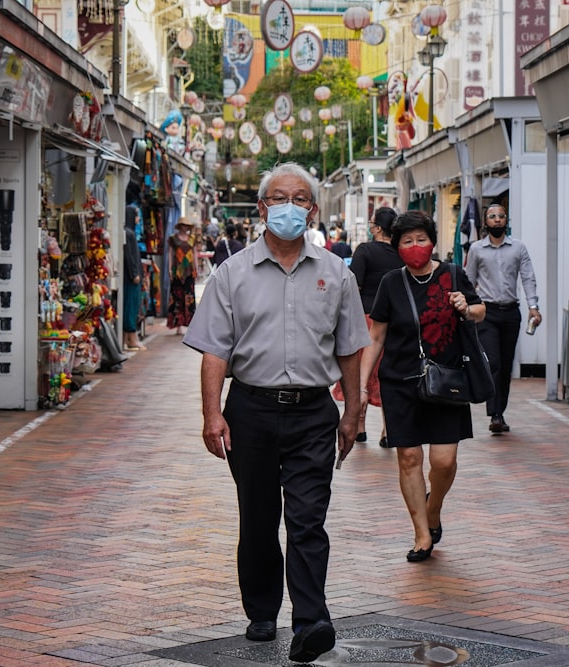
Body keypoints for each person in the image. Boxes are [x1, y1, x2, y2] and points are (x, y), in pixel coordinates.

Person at [182, 162, 369, 663]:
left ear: (312, 209)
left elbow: (350, 348)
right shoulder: (232, 273)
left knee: (308, 518)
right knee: (260, 518)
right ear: (263, 208)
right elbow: (215, 351)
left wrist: (354, 410)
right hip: (251, 411)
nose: (291, 206)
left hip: (313, 413)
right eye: (280, 197)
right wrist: (211, 414)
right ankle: (262, 609)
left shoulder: (336, 273)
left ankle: (311, 620)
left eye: (301, 198)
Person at [359, 211, 485, 562]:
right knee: (409, 457)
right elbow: (376, 335)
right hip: (400, 381)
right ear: (398, 247)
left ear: (432, 241)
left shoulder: (453, 275)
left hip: (446, 381)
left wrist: (467, 308)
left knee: (444, 461)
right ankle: (421, 534)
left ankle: (434, 508)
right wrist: (362, 386)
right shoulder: (391, 283)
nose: (415, 247)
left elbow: (481, 310)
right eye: (407, 241)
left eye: (421, 239)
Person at [463, 203, 541, 434]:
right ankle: (494, 412)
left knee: (506, 365)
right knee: (493, 361)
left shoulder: (518, 248)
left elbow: (528, 277)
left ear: (506, 220)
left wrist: (533, 306)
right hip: (486, 312)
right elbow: (469, 280)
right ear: (485, 222)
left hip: (511, 312)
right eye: (492, 216)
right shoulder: (476, 249)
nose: (497, 219)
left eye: (501, 216)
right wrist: (469, 308)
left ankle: (500, 413)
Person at [349, 207, 404, 446]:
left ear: (378, 228)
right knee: (388, 373)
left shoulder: (365, 251)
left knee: (364, 373)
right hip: (396, 320)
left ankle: (360, 427)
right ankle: (387, 429)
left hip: (367, 318)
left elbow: (353, 285)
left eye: (372, 222)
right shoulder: (401, 253)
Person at [166, 217, 198, 335]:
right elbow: (170, 253)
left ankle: (190, 325)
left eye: (186, 225)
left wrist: (196, 268)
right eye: (183, 225)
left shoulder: (192, 239)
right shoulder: (173, 239)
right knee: (177, 298)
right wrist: (169, 269)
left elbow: (195, 253)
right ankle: (178, 325)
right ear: (179, 226)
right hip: (177, 271)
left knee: (189, 298)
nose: (185, 227)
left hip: (189, 270)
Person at [122, 186, 144, 351]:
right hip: (131, 278)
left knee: (131, 306)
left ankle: (127, 338)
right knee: (130, 307)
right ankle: (130, 338)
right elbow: (129, 257)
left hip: (132, 277)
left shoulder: (130, 233)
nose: (138, 219)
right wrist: (135, 274)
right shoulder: (128, 234)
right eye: (136, 215)